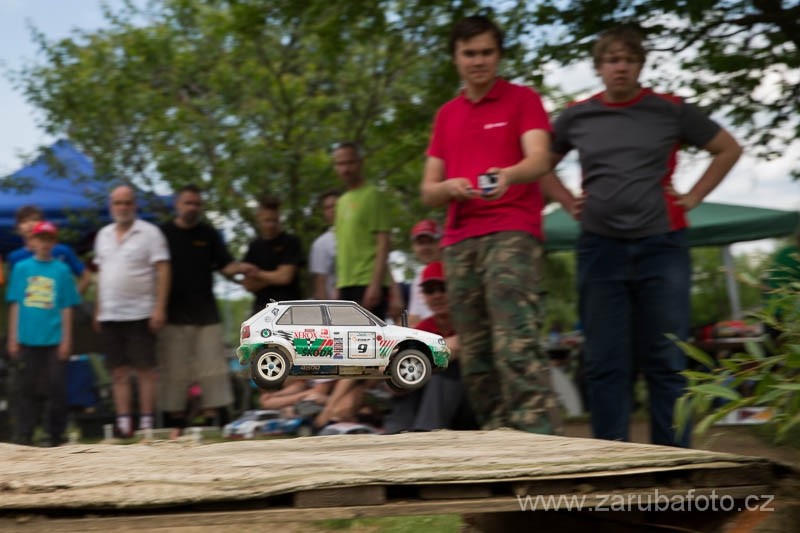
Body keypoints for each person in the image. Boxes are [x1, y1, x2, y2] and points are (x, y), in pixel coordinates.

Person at [549, 26, 742, 446]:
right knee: (605, 361)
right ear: (599, 67)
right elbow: (538, 163)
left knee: (668, 358)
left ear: (640, 65)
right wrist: (565, 200)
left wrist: (693, 196)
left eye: (628, 59)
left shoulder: (670, 109)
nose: (620, 67)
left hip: (662, 246)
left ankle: (674, 463)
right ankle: (610, 463)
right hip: (599, 247)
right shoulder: (577, 115)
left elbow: (728, 148)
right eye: (612, 60)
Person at [420, 15, 566, 434]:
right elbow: (428, 190)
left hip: (511, 229)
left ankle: (539, 441)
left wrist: (509, 175)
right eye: (469, 53)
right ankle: (501, 440)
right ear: (455, 57)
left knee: (515, 342)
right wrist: (448, 187)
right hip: (459, 238)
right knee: (476, 354)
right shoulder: (447, 114)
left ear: (499, 55)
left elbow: (539, 159)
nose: (478, 61)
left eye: (486, 52)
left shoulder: (523, 99)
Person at [158, 184, 249, 432]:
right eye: (188, 203)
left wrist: (244, 270)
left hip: (206, 313)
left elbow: (226, 266)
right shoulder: (163, 233)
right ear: (177, 204)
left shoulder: (208, 233)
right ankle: (175, 423)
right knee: (174, 370)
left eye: (197, 204)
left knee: (212, 369)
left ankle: (211, 421)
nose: (192, 208)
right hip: (173, 313)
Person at [93, 184, 171, 438]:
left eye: (127, 203)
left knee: (145, 369)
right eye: (118, 203)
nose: (123, 207)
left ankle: (147, 423)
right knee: (118, 371)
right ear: (111, 206)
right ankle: (124, 423)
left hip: (141, 312)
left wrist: (159, 307)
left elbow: (163, 270)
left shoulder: (150, 233)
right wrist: (98, 308)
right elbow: (101, 274)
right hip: (110, 313)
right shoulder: (102, 235)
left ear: (135, 206)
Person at [6, 221, 80, 446]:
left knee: (56, 387)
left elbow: (66, 307)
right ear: (32, 241)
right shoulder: (21, 268)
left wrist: (67, 340)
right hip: (27, 338)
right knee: (25, 388)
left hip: (54, 338)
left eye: (49, 239)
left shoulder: (62, 270)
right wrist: (13, 337)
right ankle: (24, 433)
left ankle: (55, 434)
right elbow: (16, 304)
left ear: (54, 242)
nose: (45, 244)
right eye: (40, 239)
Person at [383, 261, 476, 433]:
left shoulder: (469, 322)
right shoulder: (423, 328)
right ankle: (395, 433)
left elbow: (457, 345)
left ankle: (425, 431)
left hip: (469, 405)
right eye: (430, 290)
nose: (437, 295)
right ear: (424, 296)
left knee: (439, 367)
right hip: (431, 405)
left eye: (442, 288)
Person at [331, 141, 392, 319]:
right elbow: (342, 247)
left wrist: (376, 284)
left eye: (350, 163)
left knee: (368, 337)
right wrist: (338, 285)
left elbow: (384, 243)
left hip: (367, 283)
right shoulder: (341, 202)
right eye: (340, 164)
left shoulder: (373, 195)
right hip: (346, 285)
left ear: (360, 163)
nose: (345, 169)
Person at [7, 204, 92, 294]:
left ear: (43, 223)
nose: (30, 224)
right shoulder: (15, 257)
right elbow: (14, 288)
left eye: (35, 220)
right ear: (18, 228)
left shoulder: (62, 251)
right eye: (24, 221)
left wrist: (72, 298)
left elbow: (86, 277)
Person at [241, 194, 304, 313]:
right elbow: (248, 284)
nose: (271, 225)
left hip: (290, 309)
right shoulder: (254, 246)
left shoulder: (291, 242)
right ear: (259, 217)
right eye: (267, 220)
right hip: (261, 310)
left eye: (275, 220)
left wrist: (257, 274)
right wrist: (275, 277)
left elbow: (285, 277)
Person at [406, 219, 442, 327]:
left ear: (441, 243)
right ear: (414, 248)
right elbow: (414, 318)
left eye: (430, 242)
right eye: (421, 243)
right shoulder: (419, 278)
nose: (425, 248)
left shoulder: (453, 272)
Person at [309, 189, 340, 300]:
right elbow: (320, 282)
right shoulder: (321, 244)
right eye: (327, 208)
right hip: (337, 304)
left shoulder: (360, 236)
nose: (331, 210)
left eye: (334, 205)